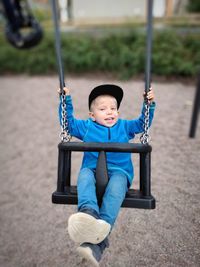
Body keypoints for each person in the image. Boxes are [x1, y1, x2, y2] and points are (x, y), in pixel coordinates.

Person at [58, 84, 156, 266]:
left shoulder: (125, 127)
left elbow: (143, 123)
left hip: (120, 172)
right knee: (84, 176)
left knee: (116, 190)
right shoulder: (86, 128)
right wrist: (66, 101)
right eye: (103, 109)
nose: (110, 112)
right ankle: (89, 213)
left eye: (113, 108)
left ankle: (97, 244)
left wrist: (148, 104)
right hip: (93, 170)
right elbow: (68, 124)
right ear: (92, 115)